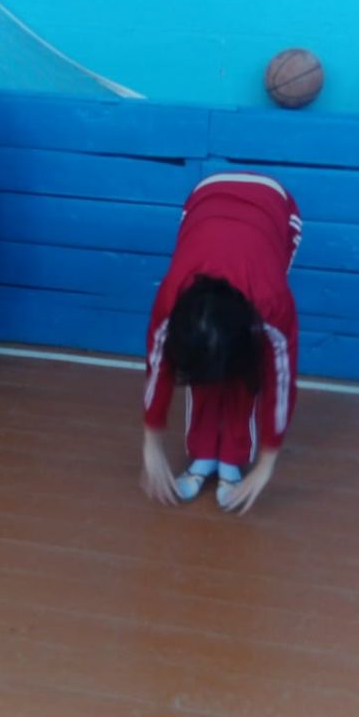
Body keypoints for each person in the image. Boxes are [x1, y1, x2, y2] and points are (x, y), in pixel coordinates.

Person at [141, 172, 301, 515]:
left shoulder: (272, 303)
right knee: (204, 358)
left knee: (244, 363)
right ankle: (203, 455)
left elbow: (281, 380)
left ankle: (232, 458)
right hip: (205, 198)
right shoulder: (171, 299)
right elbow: (158, 366)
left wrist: (267, 463)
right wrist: (150, 443)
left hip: (275, 207)